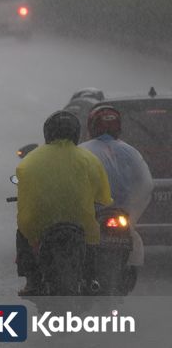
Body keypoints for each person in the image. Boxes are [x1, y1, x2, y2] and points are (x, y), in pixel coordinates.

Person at [15, 110, 113, 296]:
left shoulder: (29, 161)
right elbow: (103, 197)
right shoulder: (89, 159)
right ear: (76, 133)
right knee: (93, 245)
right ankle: (93, 279)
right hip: (82, 223)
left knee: (22, 234)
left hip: (42, 223)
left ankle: (32, 281)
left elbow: (25, 196)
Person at [79, 105, 153, 276]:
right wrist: (131, 212)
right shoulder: (131, 152)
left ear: (91, 127)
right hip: (122, 215)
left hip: (93, 214)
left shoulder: (82, 151)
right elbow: (146, 184)